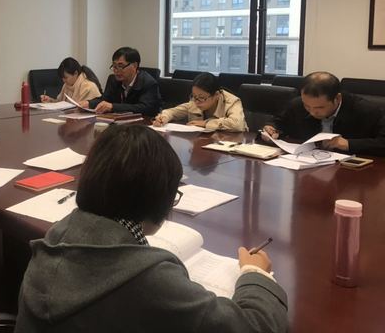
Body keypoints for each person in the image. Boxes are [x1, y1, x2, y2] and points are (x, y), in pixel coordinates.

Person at [15, 125, 288, 332]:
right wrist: (255, 274)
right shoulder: (148, 278)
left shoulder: (57, 234)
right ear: (156, 198)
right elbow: (255, 326)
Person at [261, 71, 385, 156]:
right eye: (307, 106)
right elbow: (278, 122)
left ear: (337, 98)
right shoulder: (297, 105)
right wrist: (271, 128)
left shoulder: (366, 110)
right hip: (307, 166)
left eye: (319, 107)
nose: (312, 112)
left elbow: (382, 143)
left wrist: (348, 144)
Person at [153, 72, 248, 132]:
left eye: (202, 98)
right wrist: (164, 117)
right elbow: (173, 112)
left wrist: (206, 123)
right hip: (203, 143)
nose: (197, 102)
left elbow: (237, 124)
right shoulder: (195, 100)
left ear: (216, 95)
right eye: (194, 96)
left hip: (229, 146)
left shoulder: (232, 102)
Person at [84, 47, 161, 117]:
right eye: (114, 66)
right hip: (118, 123)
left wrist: (113, 107)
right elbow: (105, 100)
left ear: (134, 65)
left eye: (120, 66)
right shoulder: (113, 80)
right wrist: (89, 103)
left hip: (143, 124)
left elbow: (146, 108)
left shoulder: (148, 83)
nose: (116, 70)